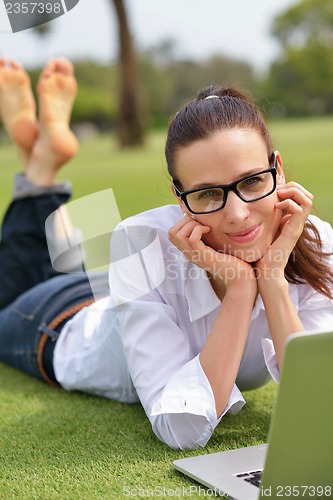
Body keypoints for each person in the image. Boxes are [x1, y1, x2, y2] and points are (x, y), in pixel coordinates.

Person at [0, 58, 333, 450]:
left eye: (253, 180)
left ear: (277, 169)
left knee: (64, 266)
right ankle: (41, 169)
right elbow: (180, 430)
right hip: (59, 323)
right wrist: (242, 287)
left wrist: (272, 278)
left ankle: (41, 163)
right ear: (179, 197)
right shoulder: (139, 239)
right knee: (17, 290)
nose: (239, 213)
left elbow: (319, 399)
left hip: (121, 294)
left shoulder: (314, 240)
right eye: (208, 193)